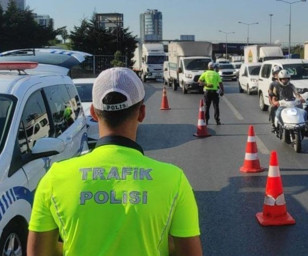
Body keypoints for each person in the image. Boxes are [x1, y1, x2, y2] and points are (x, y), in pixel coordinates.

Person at [27, 67, 203, 256]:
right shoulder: (173, 180)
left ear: (93, 113)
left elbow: (38, 252)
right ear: (142, 113)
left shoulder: (55, 178)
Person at [268, 65, 282, 131]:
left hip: (286, 102)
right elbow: (270, 94)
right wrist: (272, 102)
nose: (277, 75)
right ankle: (273, 124)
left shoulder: (286, 82)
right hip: (276, 102)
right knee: (271, 108)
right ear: (273, 75)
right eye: (276, 73)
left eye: (279, 73)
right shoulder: (272, 84)